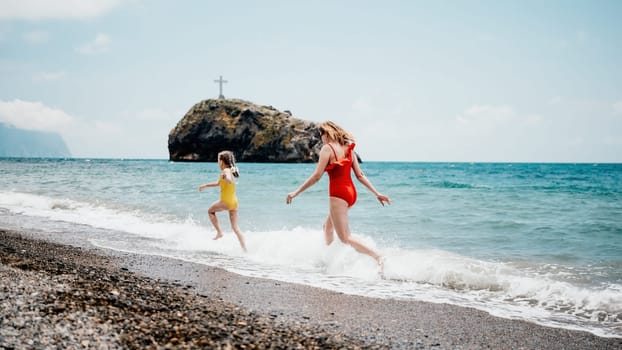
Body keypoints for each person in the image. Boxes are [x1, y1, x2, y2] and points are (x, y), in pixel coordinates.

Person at [286, 121, 390, 269]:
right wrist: (377, 193)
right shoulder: (349, 148)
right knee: (327, 227)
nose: (320, 138)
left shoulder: (327, 149)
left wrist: (295, 192)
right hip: (351, 193)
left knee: (345, 237)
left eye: (320, 135)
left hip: (338, 194)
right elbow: (360, 175)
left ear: (326, 134)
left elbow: (316, 176)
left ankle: (378, 257)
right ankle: (329, 260)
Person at [199, 150, 247, 252]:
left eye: (218, 160)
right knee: (235, 228)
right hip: (234, 202)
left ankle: (219, 232)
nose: (217, 162)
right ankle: (245, 250)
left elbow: (228, 179)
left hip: (226, 201)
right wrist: (206, 185)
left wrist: (227, 179)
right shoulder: (232, 170)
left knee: (210, 211)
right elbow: (218, 183)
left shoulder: (226, 171)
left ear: (221, 161)